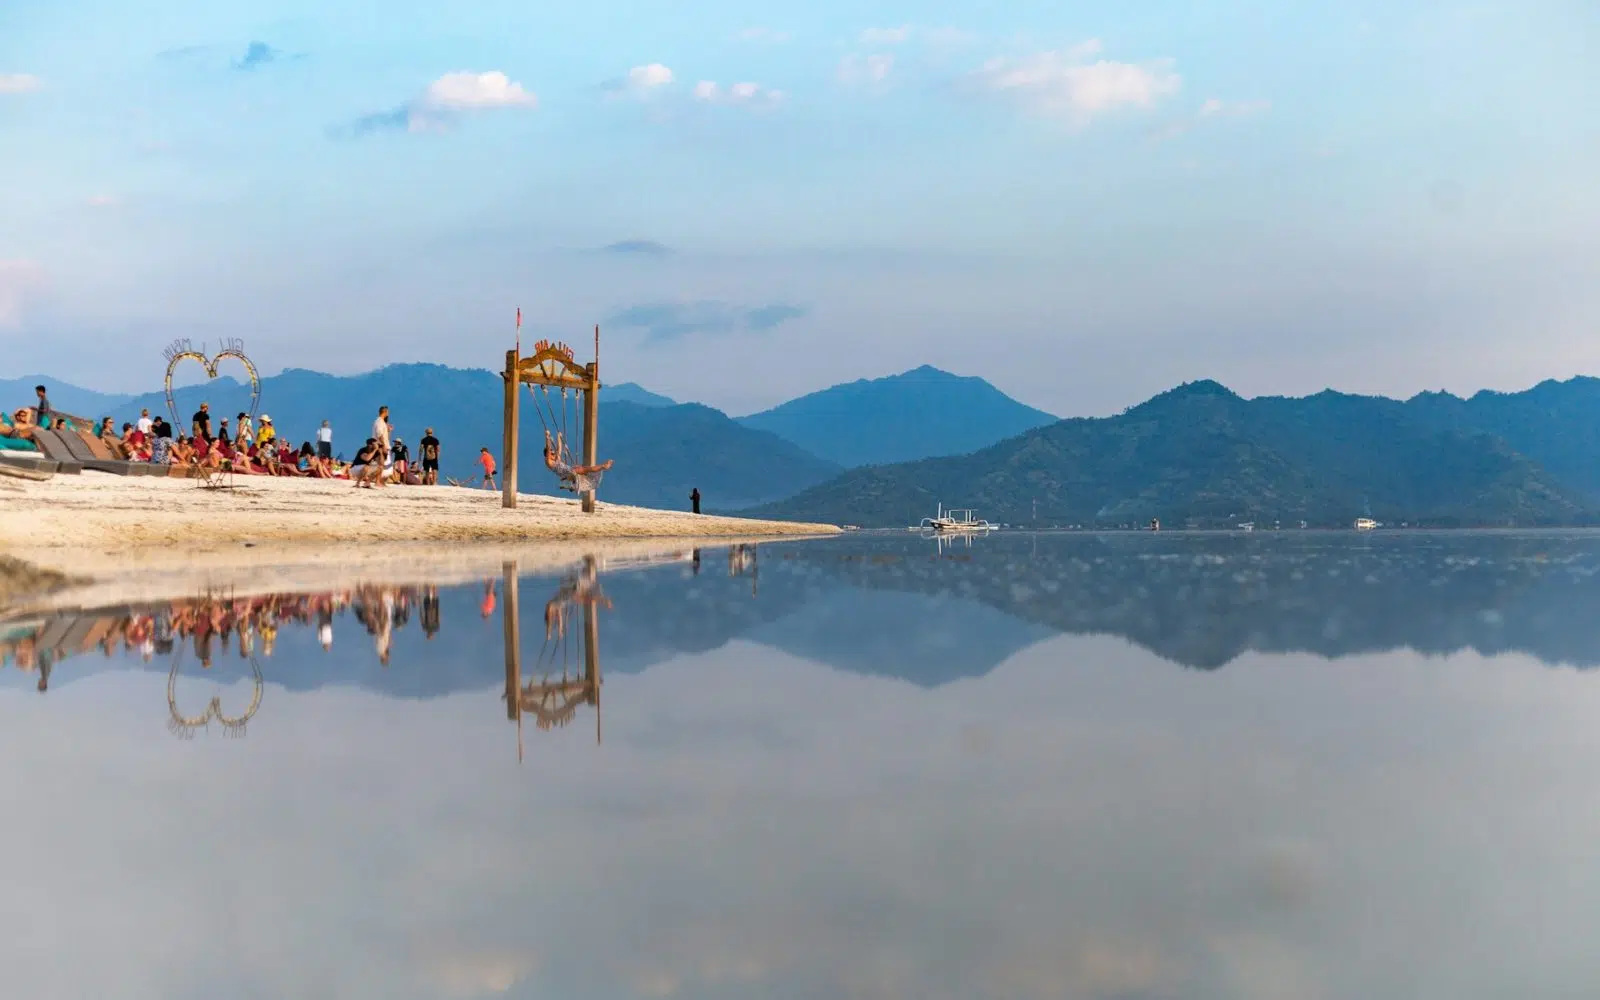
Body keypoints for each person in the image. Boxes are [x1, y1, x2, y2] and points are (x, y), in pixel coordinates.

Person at [542, 429, 613, 485]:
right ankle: (603, 466)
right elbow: (548, 448)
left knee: (585, 470)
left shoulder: (556, 460)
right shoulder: (548, 461)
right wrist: (547, 437)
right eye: (552, 453)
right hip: (569, 473)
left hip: (569, 471)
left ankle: (586, 479)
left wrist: (558, 437)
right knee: (586, 469)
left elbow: (559, 449)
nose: (554, 453)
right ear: (548, 455)